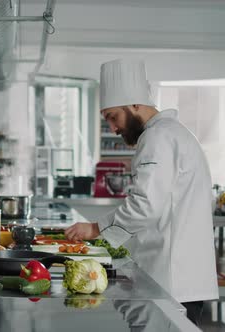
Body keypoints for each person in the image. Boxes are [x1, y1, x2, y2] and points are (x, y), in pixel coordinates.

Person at [64, 59, 218, 325]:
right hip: (182, 280)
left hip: (171, 281)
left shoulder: (156, 138)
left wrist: (95, 228)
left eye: (113, 116)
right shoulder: (175, 134)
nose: (113, 128)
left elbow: (145, 205)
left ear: (135, 104)